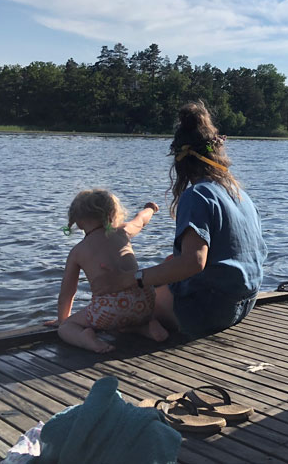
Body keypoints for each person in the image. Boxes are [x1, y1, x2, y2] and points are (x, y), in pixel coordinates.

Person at [91, 101, 268, 339]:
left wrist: (130, 280)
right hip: (245, 303)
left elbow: (193, 263)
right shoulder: (240, 194)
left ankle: (132, 324)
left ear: (181, 161)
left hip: (211, 311)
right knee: (167, 263)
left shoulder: (197, 195)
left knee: (124, 308)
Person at [57, 191, 168, 353]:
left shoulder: (77, 251)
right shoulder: (123, 232)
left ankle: (86, 340)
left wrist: (62, 319)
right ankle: (147, 327)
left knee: (66, 327)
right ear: (112, 214)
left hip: (111, 309)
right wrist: (150, 208)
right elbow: (141, 219)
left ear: (78, 222)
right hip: (145, 302)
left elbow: (67, 292)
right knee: (123, 321)